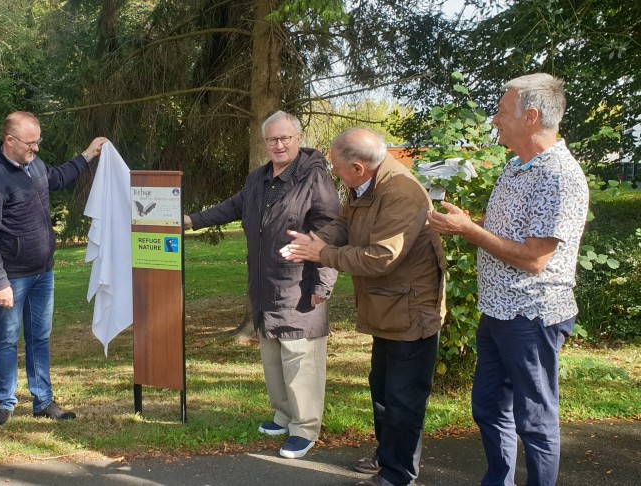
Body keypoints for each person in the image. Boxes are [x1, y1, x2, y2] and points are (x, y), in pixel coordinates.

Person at [427, 73, 588, 486]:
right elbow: (508, 233)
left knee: (534, 419)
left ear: (530, 117)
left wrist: (468, 231)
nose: (495, 120)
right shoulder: (517, 166)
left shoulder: (559, 176)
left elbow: (535, 259)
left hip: (532, 315)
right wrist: (469, 223)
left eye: (501, 111)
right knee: (487, 407)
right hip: (498, 310)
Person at [281, 127, 445, 486]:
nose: (335, 174)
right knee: (384, 391)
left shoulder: (401, 191)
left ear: (358, 167)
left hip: (410, 311)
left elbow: (381, 257)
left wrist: (321, 254)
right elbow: (345, 222)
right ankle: (386, 458)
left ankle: (397, 475)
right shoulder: (368, 182)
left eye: (338, 168)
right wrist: (316, 239)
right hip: (387, 307)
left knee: (403, 399)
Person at [183, 110, 341, 459]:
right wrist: (191, 220)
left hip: (301, 284)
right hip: (264, 284)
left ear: (298, 139)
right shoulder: (259, 178)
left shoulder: (314, 179)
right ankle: (284, 414)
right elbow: (233, 207)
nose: (279, 144)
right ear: (265, 142)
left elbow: (332, 230)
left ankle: (305, 427)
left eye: (285, 138)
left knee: (301, 358)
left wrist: (325, 282)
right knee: (272, 354)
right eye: (272, 139)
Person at [0, 112, 107, 426]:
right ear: (9, 141)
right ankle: (5, 403)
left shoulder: (35, 165)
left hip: (43, 272)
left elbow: (57, 178)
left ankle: (43, 401)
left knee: (40, 339)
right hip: (12, 277)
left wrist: (88, 155)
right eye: (30, 143)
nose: (36, 149)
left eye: (38, 142)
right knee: (7, 340)